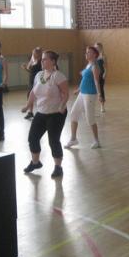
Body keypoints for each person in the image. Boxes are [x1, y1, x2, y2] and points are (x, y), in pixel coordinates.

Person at [23, 50, 69, 178]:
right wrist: (27, 106)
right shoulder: (39, 75)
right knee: (32, 138)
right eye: (42, 59)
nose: (42, 61)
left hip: (56, 113)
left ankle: (58, 167)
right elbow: (33, 92)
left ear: (53, 61)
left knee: (53, 141)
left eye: (44, 59)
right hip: (41, 113)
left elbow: (66, 94)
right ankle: (35, 162)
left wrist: (62, 105)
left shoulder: (58, 76)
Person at [65, 46, 102, 149]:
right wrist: (78, 89)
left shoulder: (95, 67)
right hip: (82, 93)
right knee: (74, 113)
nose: (86, 54)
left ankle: (96, 141)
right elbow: (84, 80)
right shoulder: (88, 65)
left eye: (89, 52)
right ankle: (73, 139)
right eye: (86, 52)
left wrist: (99, 94)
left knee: (90, 118)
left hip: (90, 94)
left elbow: (96, 81)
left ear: (94, 54)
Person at [20, 47, 42, 119]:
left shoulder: (41, 61)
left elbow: (41, 72)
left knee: (39, 96)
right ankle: (30, 112)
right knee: (29, 95)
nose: (33, 54)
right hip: (31, 80)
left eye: (34, 53)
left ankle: (41, 112)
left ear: (38, 53)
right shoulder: (33, 60)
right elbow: (31, 71)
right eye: (33, 53)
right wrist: (25, 68)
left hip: (38, 81)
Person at [95, 42, 108, 112]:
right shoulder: (94, 56)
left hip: (101, 74)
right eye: (95, 47)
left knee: (101, 89)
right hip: (94, 74)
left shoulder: (103, 56)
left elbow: (106, 66)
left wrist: (105, 73)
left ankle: (102, 106)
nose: (96, 48)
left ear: (101, 48)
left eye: (97, 47)